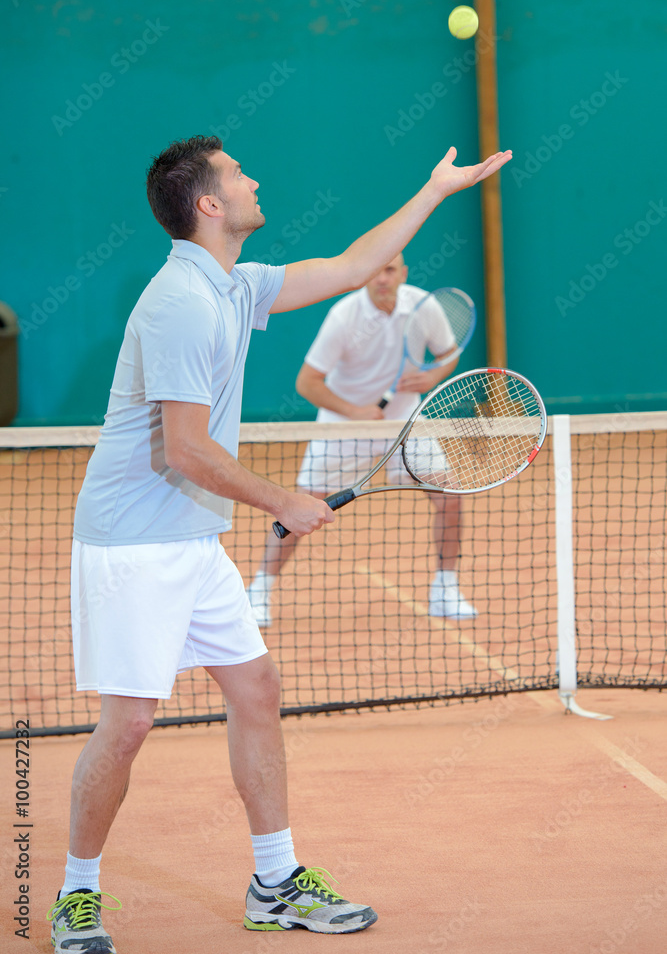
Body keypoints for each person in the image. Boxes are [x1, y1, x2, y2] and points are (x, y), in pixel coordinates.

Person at [46, 135, 511, 952]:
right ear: (209, 205)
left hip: (190, 538)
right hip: (133, 545)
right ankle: (74, 894)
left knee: (256, 688)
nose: (255, 177)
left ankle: (274, 881)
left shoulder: (234, 285)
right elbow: (187, 449)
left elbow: (351, 259)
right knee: (128, 726)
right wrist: (283, 500)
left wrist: (435, 190)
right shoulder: (179, 303)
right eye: (237, 174)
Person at [247, 254, 477, 628]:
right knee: (300, 508)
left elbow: (449, 354)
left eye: (389, 269)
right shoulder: (345, 315)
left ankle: (445, 589)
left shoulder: (423, 306)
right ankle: (258, 592)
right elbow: (307, 383)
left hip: (403, 424)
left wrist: (432, 377)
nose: (381, 278)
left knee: (448, 496)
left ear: (403, 273)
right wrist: (354, 412)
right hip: (342, 425)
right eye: (374, 269)